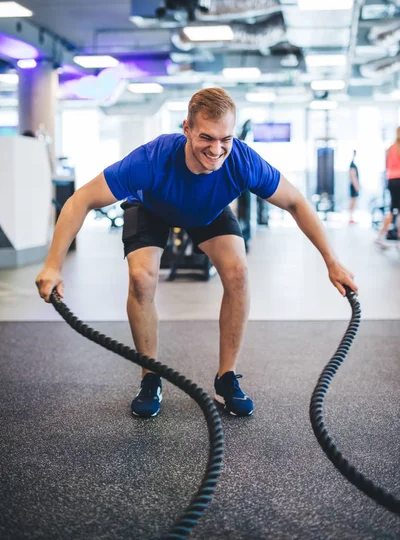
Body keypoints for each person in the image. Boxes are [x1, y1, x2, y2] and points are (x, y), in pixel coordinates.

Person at [36, 88, 358, 418]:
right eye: (207, 137)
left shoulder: (242, 161)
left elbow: (295, 202)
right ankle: (150, 378)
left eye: (225, 139)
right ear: (187, 127)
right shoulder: (151, 159)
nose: (217, 149)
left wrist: (332, 262)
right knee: (141, 279)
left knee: (239, 272)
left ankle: (226, 378)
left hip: (207, 210)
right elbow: (81, 200)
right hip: (152, 208)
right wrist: (53, 265)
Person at [375, 127, 400, 248]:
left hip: (391, 180)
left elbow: (386, 167)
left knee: (392, 210)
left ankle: (380, 236)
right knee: (397, 211)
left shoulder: (390, 148)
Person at [349, 150, 360, 224]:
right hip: (353, 186)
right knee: (353, 202)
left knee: (353, 202)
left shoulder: (353, 164)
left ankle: (351, 218)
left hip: (353, 185)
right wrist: (356, 186)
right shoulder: (352, 164)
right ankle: (350, 218)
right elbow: (353, 176)